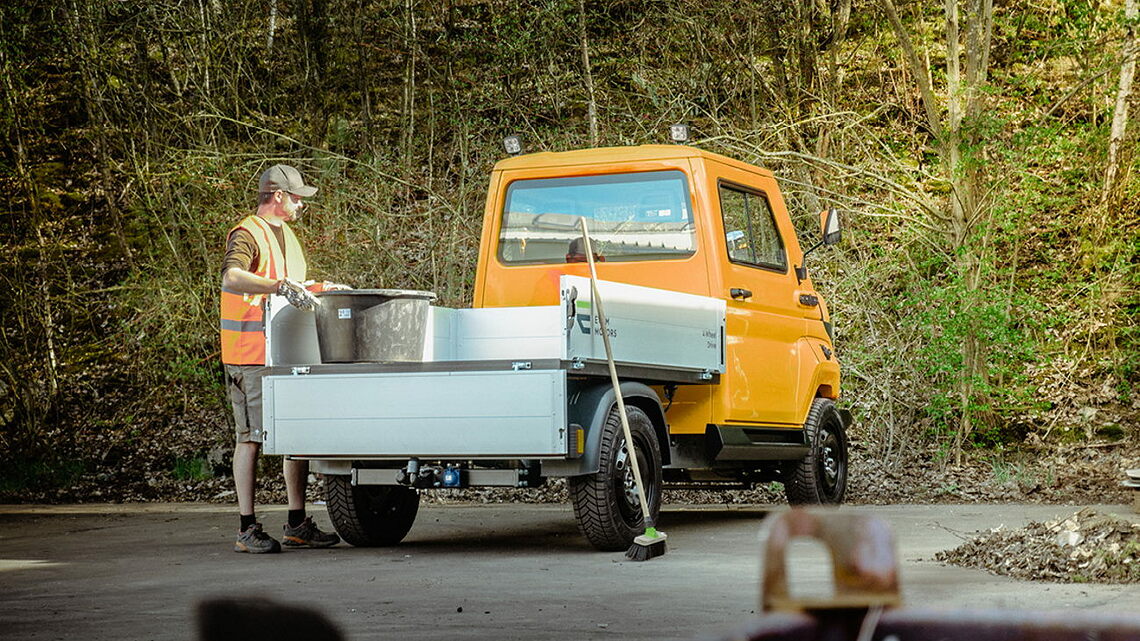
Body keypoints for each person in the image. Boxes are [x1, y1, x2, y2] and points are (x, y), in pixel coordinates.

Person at [219, 164, 342, 553]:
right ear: (277, 196)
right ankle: (246, 528)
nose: (302, 204)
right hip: (250, 354)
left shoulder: (288, 235)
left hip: (285, 354)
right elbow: (232, 277)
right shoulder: (247, 232)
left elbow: (294, 287)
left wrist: (324, 288)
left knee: (295, 436)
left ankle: (296, 523)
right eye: (297, 196)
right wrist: (278, 285)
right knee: (251, 439)